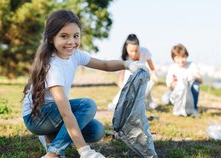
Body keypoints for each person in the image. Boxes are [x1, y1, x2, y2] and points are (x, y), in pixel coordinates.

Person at [22, 10, 146, 158]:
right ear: (51, 38)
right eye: (64, 36)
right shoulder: (53, 66)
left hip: (53, 115)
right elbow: (65, 113)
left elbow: (105, 65)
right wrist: (85, 151)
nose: (71, 42)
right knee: (87, 105)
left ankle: (52, 137)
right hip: (36, 118)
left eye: (76, 36)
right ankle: (53, 153)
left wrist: (128, 64)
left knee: (96, 130)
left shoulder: (75, 55)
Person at [108, 34, 158, 111]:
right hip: (129, 86)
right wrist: (126, 91)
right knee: (116, 105)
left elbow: (152, 69)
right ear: (126, 48)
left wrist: (153, 77)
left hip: (142, 83)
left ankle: (140, 102)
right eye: (131, 51)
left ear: (139, 47)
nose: (134, 54)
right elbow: (120, 81)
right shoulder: (123, 59)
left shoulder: (145, 52)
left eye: (136, 50)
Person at [162, 43, 203, 114]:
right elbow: (169, 85)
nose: (181, 60)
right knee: (166, 99)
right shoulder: (172, 68)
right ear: (174, 58)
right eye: (178, 57)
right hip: (176, 91)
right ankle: (176, 105)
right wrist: (175, 84)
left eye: (183, 57)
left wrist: (193, 77)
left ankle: (193, 108)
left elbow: (200, 80)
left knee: (196, 85)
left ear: (187, 56)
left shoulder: (192, 65)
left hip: (189, 90)